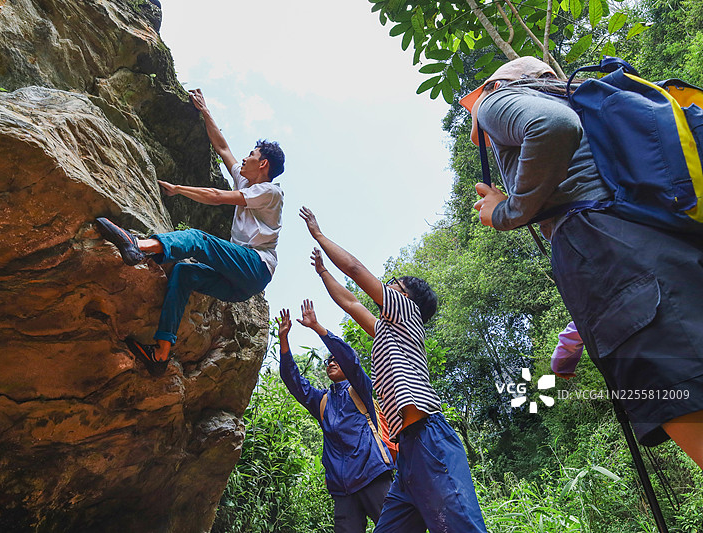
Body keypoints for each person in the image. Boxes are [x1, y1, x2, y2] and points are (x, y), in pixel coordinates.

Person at [463, 56, 703, 468]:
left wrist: (507, 212)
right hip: (669, 255)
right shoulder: (591, 108)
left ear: (497, 84)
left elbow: (551, 127)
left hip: (605, 255)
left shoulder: (497, 99)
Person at [300, 208, 487, 532]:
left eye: (394, 285)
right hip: (408, 455)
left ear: (406, 298)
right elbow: (351, 302)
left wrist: (319, 235)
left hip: (430, 440)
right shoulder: (388, 330)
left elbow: (357, 271)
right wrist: (323, 274)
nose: (386, 286)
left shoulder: (407, 312)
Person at [96, 89, 285, 376]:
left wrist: (178, 189)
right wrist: (206, 111)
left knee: (198, 240)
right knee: (184, 273)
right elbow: (222, 148)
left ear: (263, 164)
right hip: (240, 284)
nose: (244, 158)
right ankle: (160, 354)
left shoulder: (270, 192)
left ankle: (138, 246)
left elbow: (217, 196)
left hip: (256, 266)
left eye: (251, 155)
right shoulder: (246, 181)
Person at [277, 300, 394, 533]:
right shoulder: (322, 401)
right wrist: (284, 341)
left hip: (372, 474)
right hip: (342, 489)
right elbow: (294, 381)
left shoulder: (359, 388)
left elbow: (350, 360)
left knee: (394, 529)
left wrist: (317, 327)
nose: (331, 361)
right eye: (328, 360)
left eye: (334, 359)